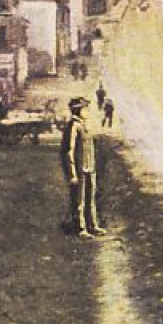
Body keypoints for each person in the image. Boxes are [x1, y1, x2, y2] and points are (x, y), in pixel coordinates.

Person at [59, 97, 105, 239]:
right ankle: (81, 228)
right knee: (79, 200)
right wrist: (72, 173)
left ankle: (92, 225)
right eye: (85, 108)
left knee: (90, 198)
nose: (87, 111)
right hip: (79, 169)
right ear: (79, 110)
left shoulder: (84, 125)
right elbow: (69, 151)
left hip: (89, 167)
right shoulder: (73, 126)